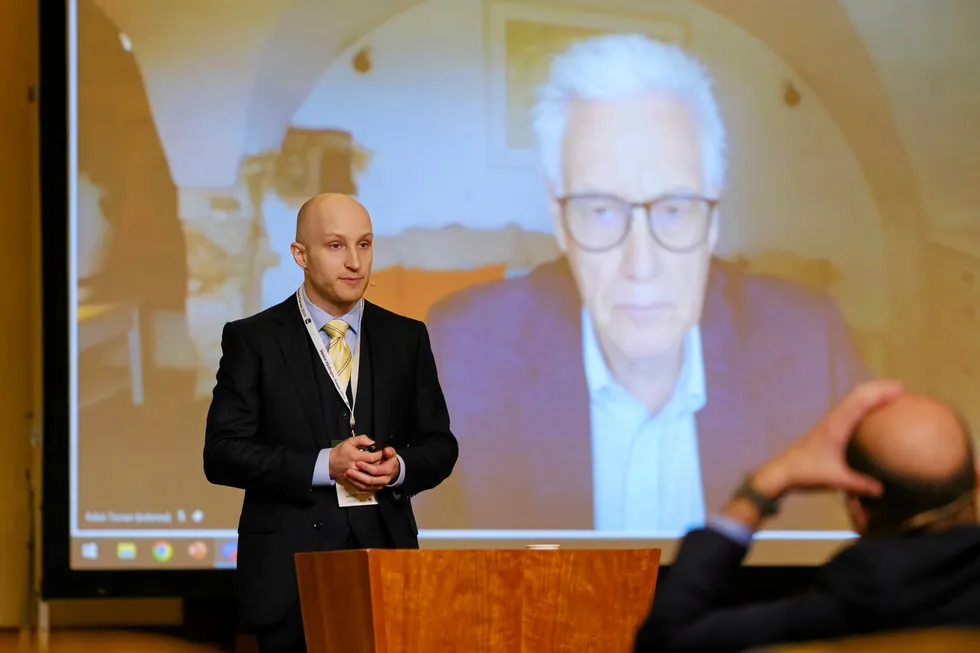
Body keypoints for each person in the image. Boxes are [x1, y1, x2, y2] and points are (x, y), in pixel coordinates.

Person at [418, 33, 866, 532]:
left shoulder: (807, 343)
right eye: (602, 211)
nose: (642, 264)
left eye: (674, 209)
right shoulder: (462, 352)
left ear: (713, 215)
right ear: (560, 221)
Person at [203, 193, 458, 653]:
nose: (356, 262)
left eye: (364, 244)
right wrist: (324, 465)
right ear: (300, 255)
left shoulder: (406, 337)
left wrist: (398, 468)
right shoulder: (253, 339)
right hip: (287, 577)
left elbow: (440, 444)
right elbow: (222, 454)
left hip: (387, 566)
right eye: (336, 246)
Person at [634, 381, 980, 652]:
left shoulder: (856, 603)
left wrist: (768, 483)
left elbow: (667, 639)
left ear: (859, 509)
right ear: (977, 480)